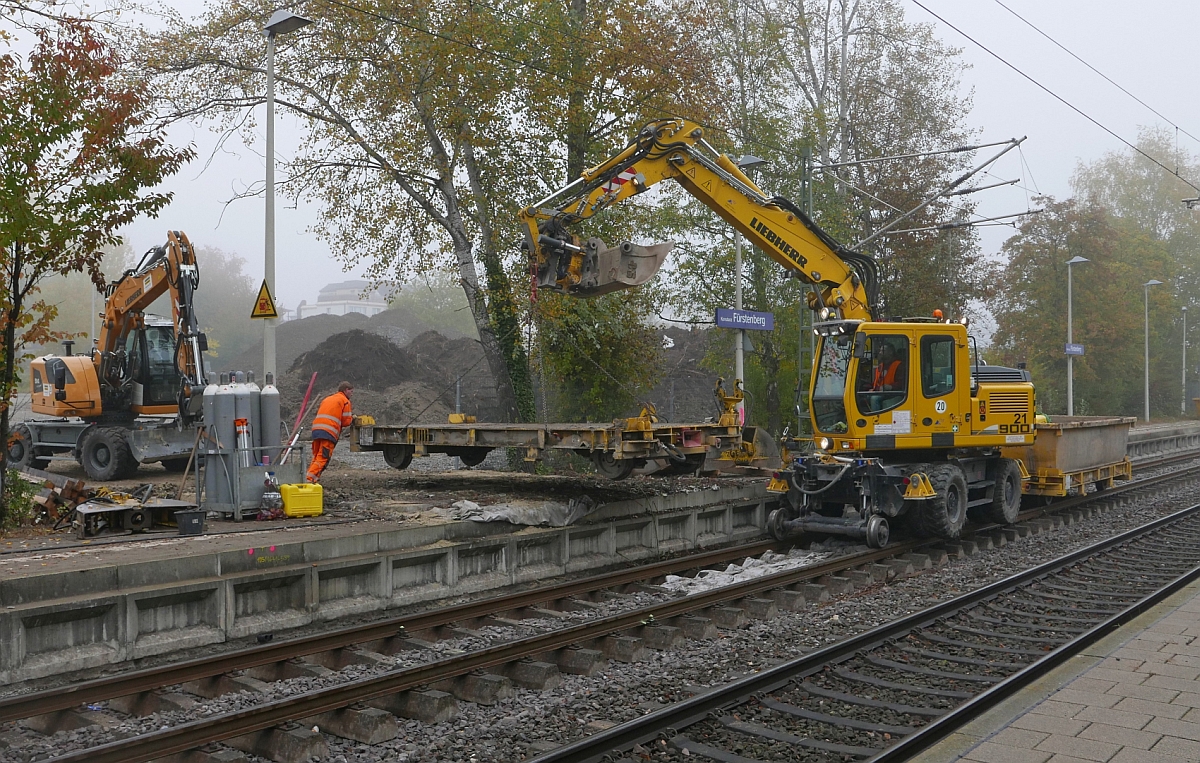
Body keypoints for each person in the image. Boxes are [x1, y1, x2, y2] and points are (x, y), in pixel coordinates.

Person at [306, 381, 354, 484]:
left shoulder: (327, 399)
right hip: (328, 432)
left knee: (316, 456)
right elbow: (346, 422)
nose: (352, 393)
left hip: (316, 430)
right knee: (323, 457)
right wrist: (352, 419)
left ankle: (311, 478)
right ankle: (308, 480)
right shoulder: (345, 401)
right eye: (351, 391)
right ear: (345, 390)